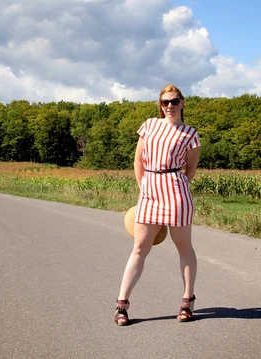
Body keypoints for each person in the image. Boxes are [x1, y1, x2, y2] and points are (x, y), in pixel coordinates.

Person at [115, 84, 201, 326]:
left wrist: (175, 184)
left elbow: (191, 169)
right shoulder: (149, 125)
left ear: (182, 103)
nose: (170, 106)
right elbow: (138, 160)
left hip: (176, 191)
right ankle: (122, 304)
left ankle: (187, 301)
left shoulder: (190, 134)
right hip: (150, 191)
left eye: (174, 101)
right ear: (160, 105)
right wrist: (144, 187)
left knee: (184, 246)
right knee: (140, 247)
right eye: (165, 102)